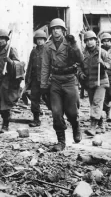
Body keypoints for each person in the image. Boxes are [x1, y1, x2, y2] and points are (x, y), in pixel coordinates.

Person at [40, 18, 84, 152]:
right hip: (56, 81)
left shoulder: (70, 43)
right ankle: (61, 141)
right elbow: (45, 66)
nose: (55, 31)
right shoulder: (47, 46)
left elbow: (80, 59)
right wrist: (43, 84)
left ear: (63, 30)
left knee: (72, 112)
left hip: (70, 80)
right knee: (56, 113)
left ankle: (76, 126)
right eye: (53, 29)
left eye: (58, 28)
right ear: (50, 31)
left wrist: (75, 44)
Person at [0, 29, 25, 133]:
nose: (1, 40)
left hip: (7, 80)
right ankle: (6, 116)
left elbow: (18, 64)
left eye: (3, 38)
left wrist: (10, 62)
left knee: (4, 103)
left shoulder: (11, 49)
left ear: (6, 39)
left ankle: (5, 124)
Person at [77, 31, 111, 136]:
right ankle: (101, 126)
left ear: (96, 41)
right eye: (87, 40)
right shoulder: (83, 54)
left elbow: (110, 65)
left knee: (97, 103)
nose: (89, 42)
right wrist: (80, 73)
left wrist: (103, 64)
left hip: (101, 82)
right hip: (90, 83)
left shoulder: (102, 52)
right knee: (94, 104)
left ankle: (93, 127)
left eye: (91, 39)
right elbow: (78, 66)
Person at [25, 30, 49, 127]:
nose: (39, 41)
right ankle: (36, 119)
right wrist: (28, 78)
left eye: (41, 39)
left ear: (44, 40)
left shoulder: (48, 50)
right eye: (38, 39)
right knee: (34, 99)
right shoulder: (33, 51)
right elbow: (30, 65)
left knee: (49, 99)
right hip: (35, 80)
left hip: (45, 79)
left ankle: (58, 116)